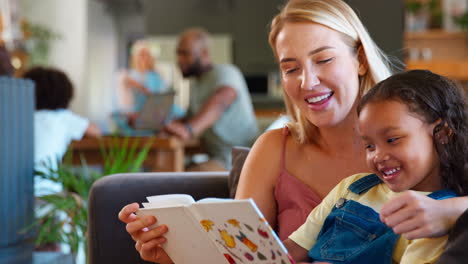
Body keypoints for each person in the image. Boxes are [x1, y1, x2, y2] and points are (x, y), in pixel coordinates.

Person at [117, 1, 468, 262]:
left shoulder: (428, 137)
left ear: (359, 59)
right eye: (290, 68)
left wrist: (452, 211)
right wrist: (175, 252)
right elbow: (239, 256)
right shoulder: (274, 149)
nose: (307, 82)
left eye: (323, 59)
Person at [284, 69, 467, 263]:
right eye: (369, 146)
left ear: (442, 134)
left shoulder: (431, 219)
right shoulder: (351, 188)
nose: (378, 155)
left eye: (392, 139)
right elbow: (292, 250)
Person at [163, 27, 258, 170]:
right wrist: (163, 124)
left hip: (241, 160)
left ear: (204, 53)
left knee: (180, 179)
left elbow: (221, 100)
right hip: (216, 157)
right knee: (166, 172)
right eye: (178, 53)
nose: (179, 60)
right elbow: (188, 118)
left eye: (185, 54)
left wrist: (189, 129)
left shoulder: (226, 72)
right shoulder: (195, 85)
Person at [24, 66, 102, 196]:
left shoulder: (17, 117)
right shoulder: (63, 117)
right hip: (48, 195)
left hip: (11, 196)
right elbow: (96, 131)